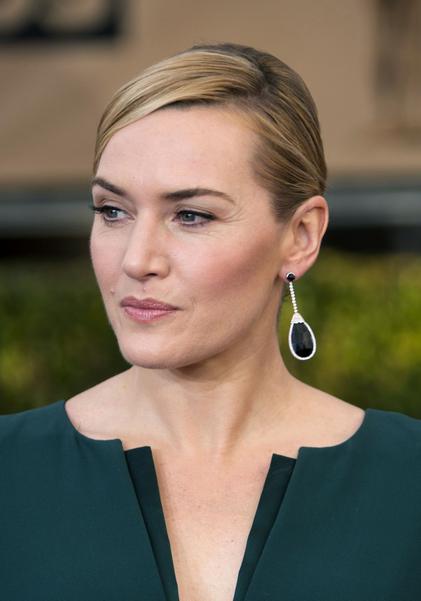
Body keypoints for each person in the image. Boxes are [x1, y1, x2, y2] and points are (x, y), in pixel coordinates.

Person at [1, 42, 421, 601]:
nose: (137, 260)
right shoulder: (10, 470)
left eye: (191, 215)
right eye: (112, 211)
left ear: (301, 237)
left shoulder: (408, 478)